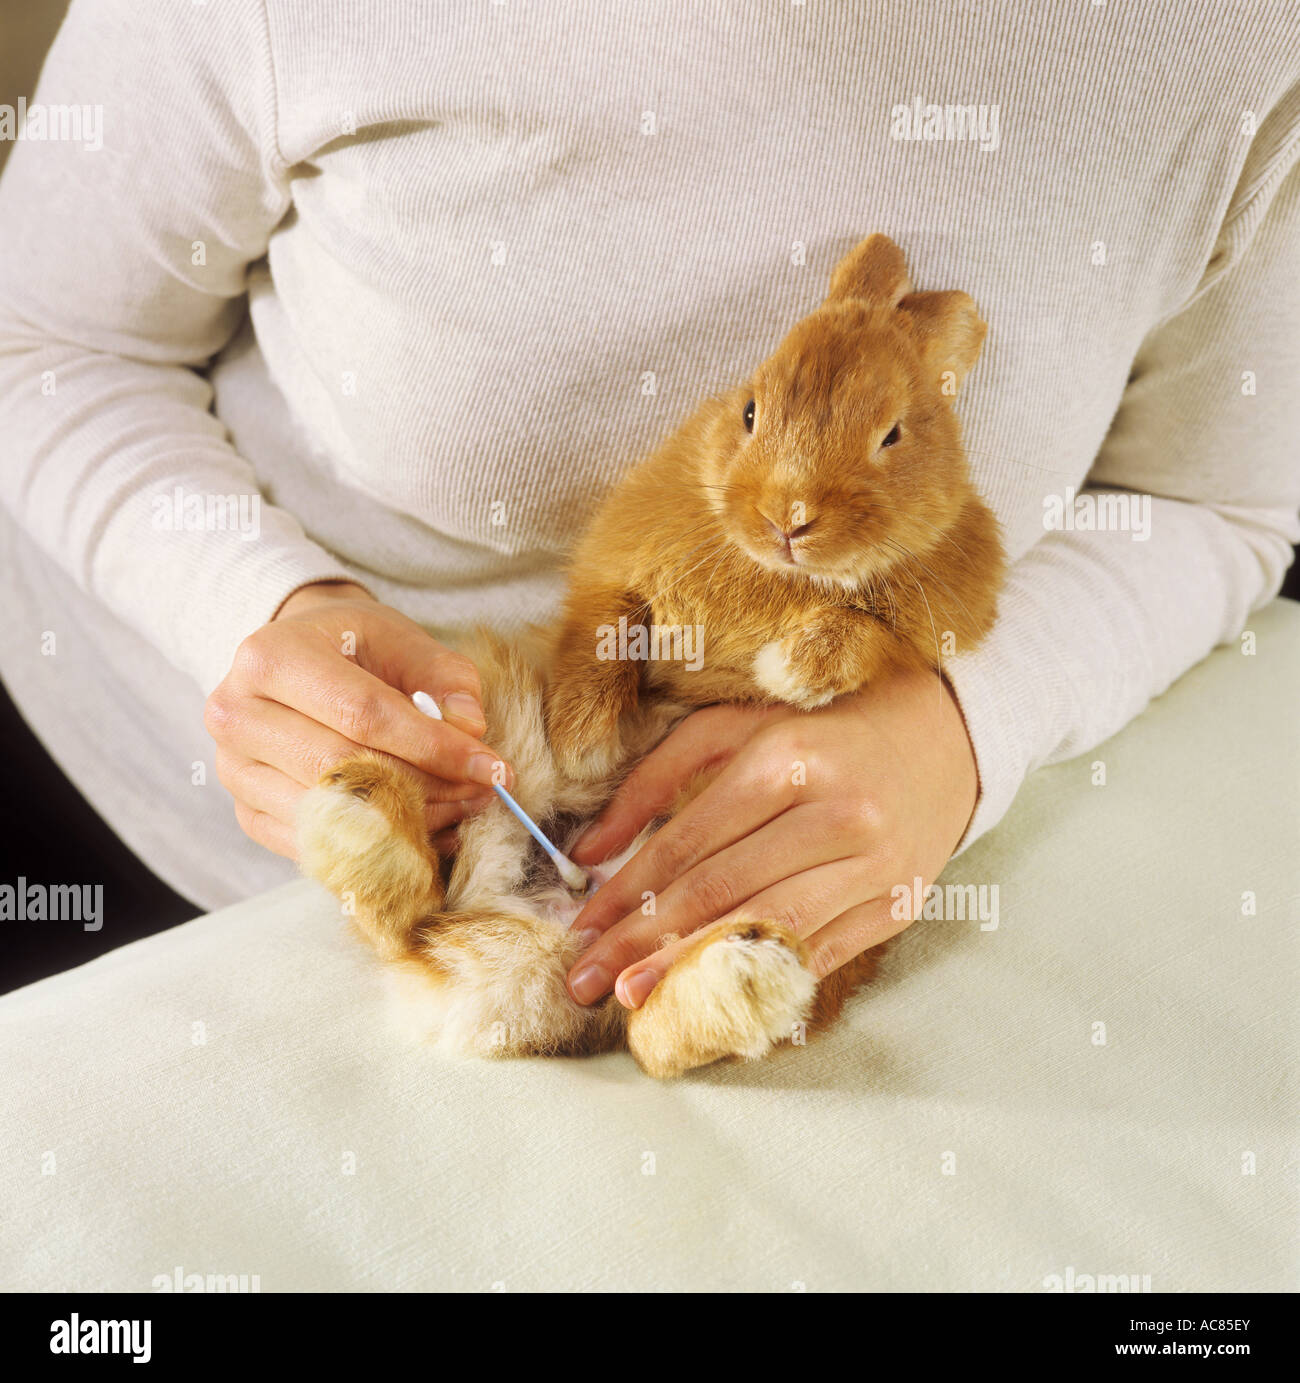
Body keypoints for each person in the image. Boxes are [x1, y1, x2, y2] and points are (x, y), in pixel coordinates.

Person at [1, 1, 1296, 1008]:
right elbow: (41, 339)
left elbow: (1213, 497)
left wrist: (962, 728)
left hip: (744, 949)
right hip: (159, 837)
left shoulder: (1235, 41)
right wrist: (249, 608)